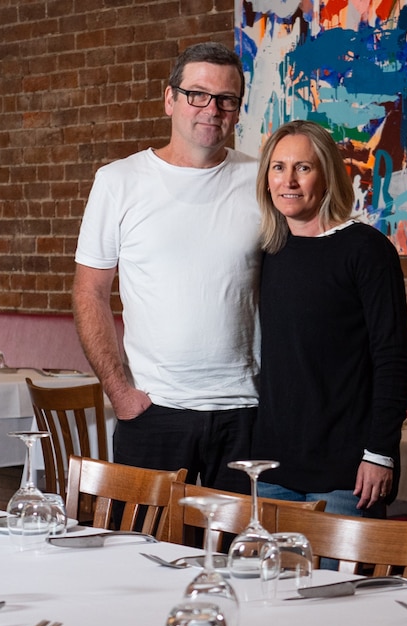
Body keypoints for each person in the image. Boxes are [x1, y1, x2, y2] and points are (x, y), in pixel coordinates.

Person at [72, 42, 260, 493]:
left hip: (245, 412)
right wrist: (120, 392)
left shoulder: (261, 181)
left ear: (237, 109)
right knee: (142, 553)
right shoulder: (118, 181)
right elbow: (89, 293)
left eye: (226, 99)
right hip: (153, 408)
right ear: (169, 99)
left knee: (239, 557)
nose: (212, 109)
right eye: (197, 94)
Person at [252, 120, 407, 515]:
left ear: (326, 176)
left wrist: (380, 454)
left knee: (340, 582)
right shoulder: (266, 251)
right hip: (272, 469)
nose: (288, 180)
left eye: (303, 168)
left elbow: (392, 360)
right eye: (278, 167)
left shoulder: (366, 250)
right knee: (268, 579)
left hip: (349, 474)